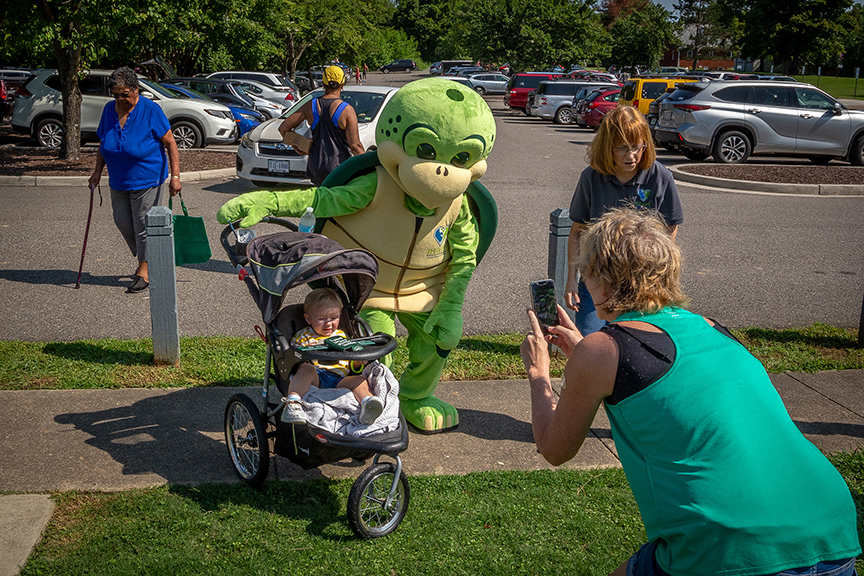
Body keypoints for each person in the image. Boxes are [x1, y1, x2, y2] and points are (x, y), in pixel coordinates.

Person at [520, 207, 860, 576]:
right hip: (831, 529)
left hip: (730, 544)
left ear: (603, 279)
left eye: (586, 272)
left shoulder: (603, 350)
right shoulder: (713, 328)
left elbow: (555, 449)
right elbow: (652, 372)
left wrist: (539, 373)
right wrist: (586, 352)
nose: (584, 282)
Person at [565, 105, 682, 335]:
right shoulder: (591, 177)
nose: (631, 156)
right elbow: (577, 230)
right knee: (591, 343)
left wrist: (659, 277)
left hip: (642, 286)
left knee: (636, 348)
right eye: (622, 148)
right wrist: (572, 278)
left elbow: (670, 230)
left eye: (637, 147)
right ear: (608, 148)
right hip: (598, 282)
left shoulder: (661, 177)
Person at [88, 66, 181, 293]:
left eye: (125, 94)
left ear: (136, 90)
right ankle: (149, 255)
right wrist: (97, 172)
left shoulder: (151, 111)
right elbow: (103, 144)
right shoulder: (110, 110)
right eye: (116, 94)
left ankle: (144, 269)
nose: (120, 99)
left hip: (148, 177)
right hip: (118, 179)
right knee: (122, 220)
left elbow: (170, 143)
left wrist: (175, 177)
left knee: (141, 223)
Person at [283, 288, 384, 426]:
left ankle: (368, 403)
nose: (328, 323)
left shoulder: (341, 336)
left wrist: (358, 362)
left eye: (334, 318)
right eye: (321, 319)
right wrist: (306, 350)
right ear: (308, 319)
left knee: (359, 380)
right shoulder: (304, 336)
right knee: (306, 370)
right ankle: (293, 403)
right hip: (316, 377)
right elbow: (293, 357)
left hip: (339, 379)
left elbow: (350, 365)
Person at [277, 65, 364, 186]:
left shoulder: (310, 105)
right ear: (342, 84)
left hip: (316, 167)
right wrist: (367, 169)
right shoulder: (346, 110)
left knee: (322, 200)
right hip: (339, 168)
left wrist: (299, 144)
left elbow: (283, 128)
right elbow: (355, 146)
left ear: (323, 83)